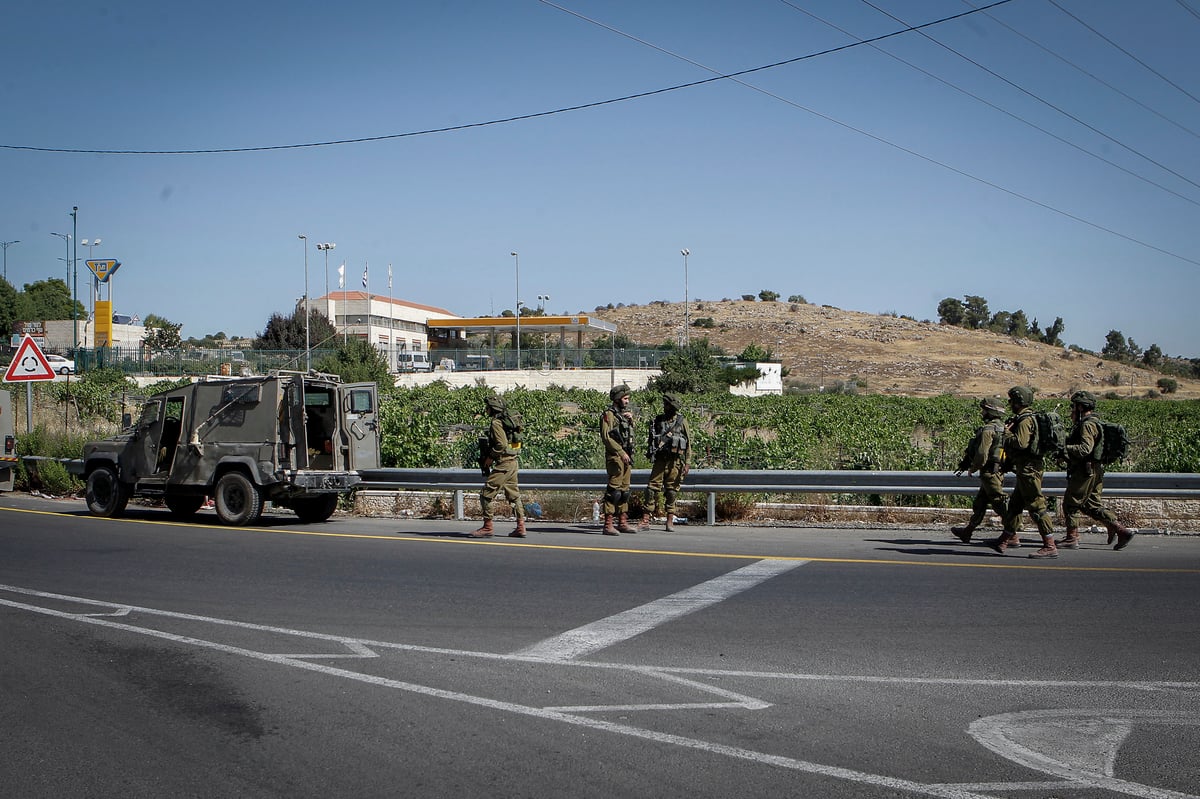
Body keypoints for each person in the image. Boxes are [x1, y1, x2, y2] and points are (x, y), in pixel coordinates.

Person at [1056, 390, 1134, 551]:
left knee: (1071, 503)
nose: (1072, 409)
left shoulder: (1087, 424)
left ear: (1080, 407)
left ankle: (1072, 537)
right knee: (1091, 505)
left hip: (1085, 470)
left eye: (1074, 406)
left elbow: (1085, 449)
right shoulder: (1093, 422)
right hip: (1094, 469)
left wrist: (1064, 449)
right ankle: (1120, 530)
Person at [991, 385, 1058, 559]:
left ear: (1019, 401)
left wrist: (1006, 433)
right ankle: (1005, 539)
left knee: (1036, 506)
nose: (1010, 403)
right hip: (1025, 469)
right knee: (1014, 506)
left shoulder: (1025, 420)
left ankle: (1049, 545)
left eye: (1012, 400)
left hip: (1029, 470)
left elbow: (1021, 443)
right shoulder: (1025, 418)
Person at [951, 397, 1008, 544]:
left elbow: (982, 454)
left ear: (990, 411)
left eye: (984, 410)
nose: (982, 412)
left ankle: (1012, 534)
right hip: (997, 470)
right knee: (980, 503)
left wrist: (973, 467)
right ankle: (967, 532)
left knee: (999, 503)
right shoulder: (1003, 427)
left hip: (990, 472)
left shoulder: (988, 429)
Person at [472, 394, 526, 538]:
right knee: (514, 495)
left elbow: (501, 444)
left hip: (503, 463)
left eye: (487, 407)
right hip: (513, 461)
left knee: (486, 494)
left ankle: (487, 527)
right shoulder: (506, 421)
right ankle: (521, 527)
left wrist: (490, 457)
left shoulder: (496, 423)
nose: (486, 410)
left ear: (492, 408)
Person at [642, 393, 692, 532]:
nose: (665, 407)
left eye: (667, 405)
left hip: (675, 462)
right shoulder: (658, 420)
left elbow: (688, 444)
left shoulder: (682, 422)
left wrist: (687, 463)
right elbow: (651, 439)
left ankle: (670, 520)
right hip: (660, 461)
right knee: (651, 490)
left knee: (672, 492)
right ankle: (646, 519)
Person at [600, 384, 636, 535]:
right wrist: (621, 452)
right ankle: (608, 523)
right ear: (617, 399)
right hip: (616, 457)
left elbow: (630, 434)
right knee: (613, 491)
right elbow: (607, 437)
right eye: (625, 398)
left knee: (624, 491)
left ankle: (622, 521)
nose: (627, 402)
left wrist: (631, 421)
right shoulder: (608, 415)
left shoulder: (623, 415)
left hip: (626, 456)